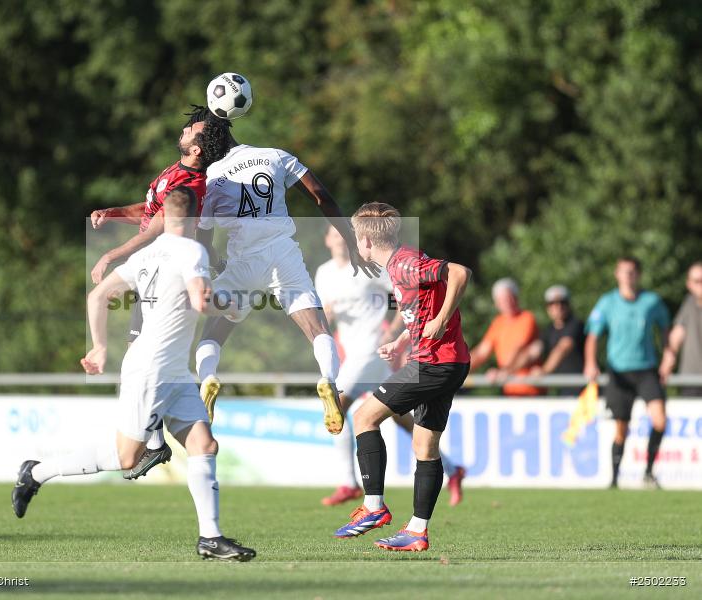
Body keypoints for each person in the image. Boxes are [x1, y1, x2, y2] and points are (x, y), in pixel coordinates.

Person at [11, 188, 255, 562]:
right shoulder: (193, 250)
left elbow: (97, 297)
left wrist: (99, 345)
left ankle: (210, 537)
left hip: (172, 369)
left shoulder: (146, 254)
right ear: (194, 219)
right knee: (127, 458)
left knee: (204, 445)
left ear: (165, 216)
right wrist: (232, 307)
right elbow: (201, 301)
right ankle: (37, 471)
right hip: (152, 369)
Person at [190, 108, 379, 434]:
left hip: (242, 262)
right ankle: (329, 381)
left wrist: (214, 263)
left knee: (213, 335)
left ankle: (207, 380)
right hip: (282, 255)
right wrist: (349, 240)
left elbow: (203, 236)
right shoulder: (275, 156)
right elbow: (322, 196)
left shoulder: (213, 178)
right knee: (318, 329)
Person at [332, 203, 471, 553]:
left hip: (434, 363)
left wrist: (440, 321)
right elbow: (420, 310)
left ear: (364, 240)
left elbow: (460, 273)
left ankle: (374, 507)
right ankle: (417, 531)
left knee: (364, 417)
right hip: (448, 361)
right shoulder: (399, 265)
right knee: (424, 447)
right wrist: (401, 340)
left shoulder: (405, 263)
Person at [85, 109, 209, 480]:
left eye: (193, 129)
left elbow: (155, 227)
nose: (185, 128)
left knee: (144, 356)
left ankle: (153, 441)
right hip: (160, 269)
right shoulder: (174, 171)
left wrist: (112, 253)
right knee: (139, 354)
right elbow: (151, 208)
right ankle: (155, 438)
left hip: (167, 273)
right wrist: (115, 211)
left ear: (198, 149)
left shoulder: (190, 180)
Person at [584, 256, 670, 489]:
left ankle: (649, 473)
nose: (628, 276)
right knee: (621, 428)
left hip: (646, 370)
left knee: (660, 420)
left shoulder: (651, 302)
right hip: (619, 372)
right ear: (617, 274)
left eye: (632, 272)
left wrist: (668, 357)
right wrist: (591, 362)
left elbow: (665, 329)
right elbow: (593, 335)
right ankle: (614, 479)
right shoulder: (607, 302)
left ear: (638, 275)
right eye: (624, 271)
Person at [507, 285, 585, 395]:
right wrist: (508, 371)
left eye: (562, 302)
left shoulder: (576, 325)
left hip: (583, 390)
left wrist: (544, 371)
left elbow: (562, 348)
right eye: (552, 303)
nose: (558, 307)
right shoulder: (549, 330)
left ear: (568, 304)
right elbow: (532, 352)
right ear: (548, 308)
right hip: (563, 391)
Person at [469, 278, 542, 396]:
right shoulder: (498, 322)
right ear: (496, 303)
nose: (507, 302)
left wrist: (503, 371)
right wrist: (459, 370)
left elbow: (519, 348)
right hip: (510, 391)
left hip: (531, 391)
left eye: (510, 297)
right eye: (502, 299)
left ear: (516, 298)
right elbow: (482, 352)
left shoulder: (527, 318)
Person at [660, 262, 702, 396]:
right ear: (689, 284)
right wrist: (667, 362)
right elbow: (677, 334)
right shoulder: (689, 303)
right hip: (691, 378)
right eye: (697, 281)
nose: (701, 284)